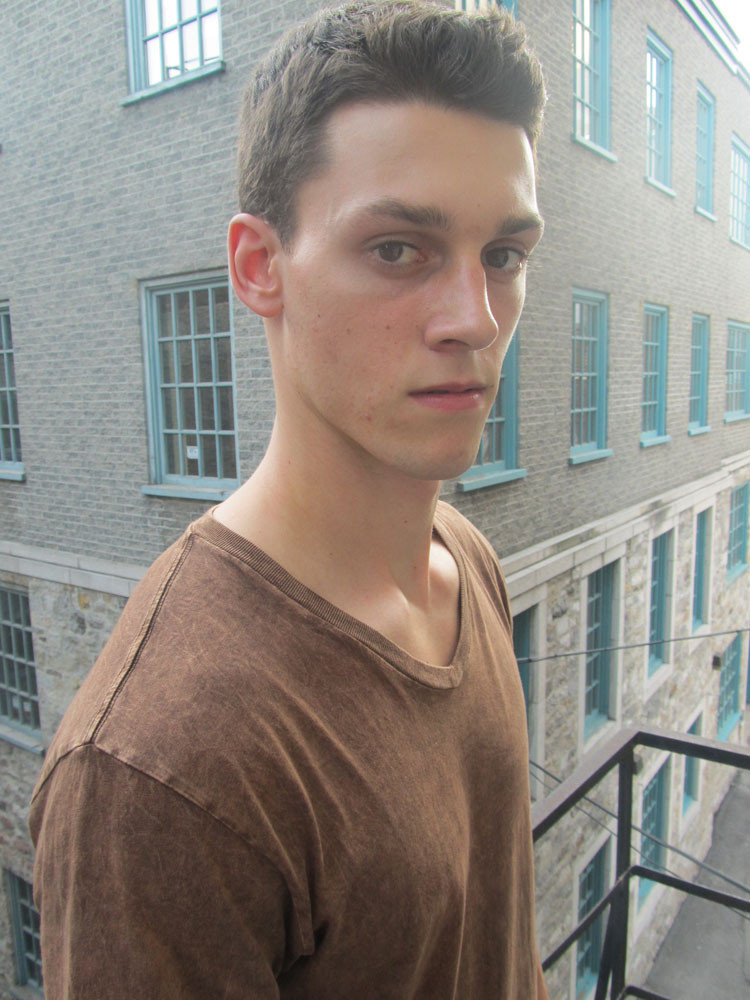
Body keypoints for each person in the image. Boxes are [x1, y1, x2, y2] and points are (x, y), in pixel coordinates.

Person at [30, 1, 548, 996]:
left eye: (505, 256)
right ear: (259, 268)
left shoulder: (463, 557)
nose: (476, 319)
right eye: (398, 249)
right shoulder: (158, 767)